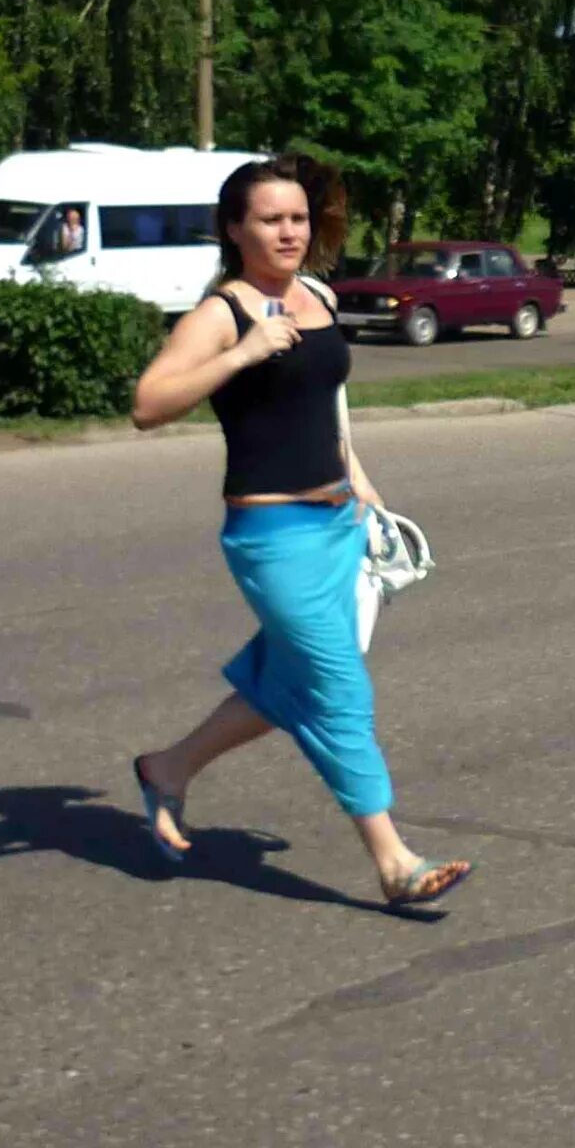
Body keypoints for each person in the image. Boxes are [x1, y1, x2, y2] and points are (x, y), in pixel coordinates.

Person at [125, 154, 469, 909]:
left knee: (292, 679)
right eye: (271, 220)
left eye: (298, 218)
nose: (289, 232)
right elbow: (148, 403)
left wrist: (365, 486)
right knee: (338, 690)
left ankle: (169, 768)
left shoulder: (315, 293)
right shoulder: (223, 313)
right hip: (272, 535)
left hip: (341, 519)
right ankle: (392, 862)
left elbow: (326, 406)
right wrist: (243, 352)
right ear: (234, 229)